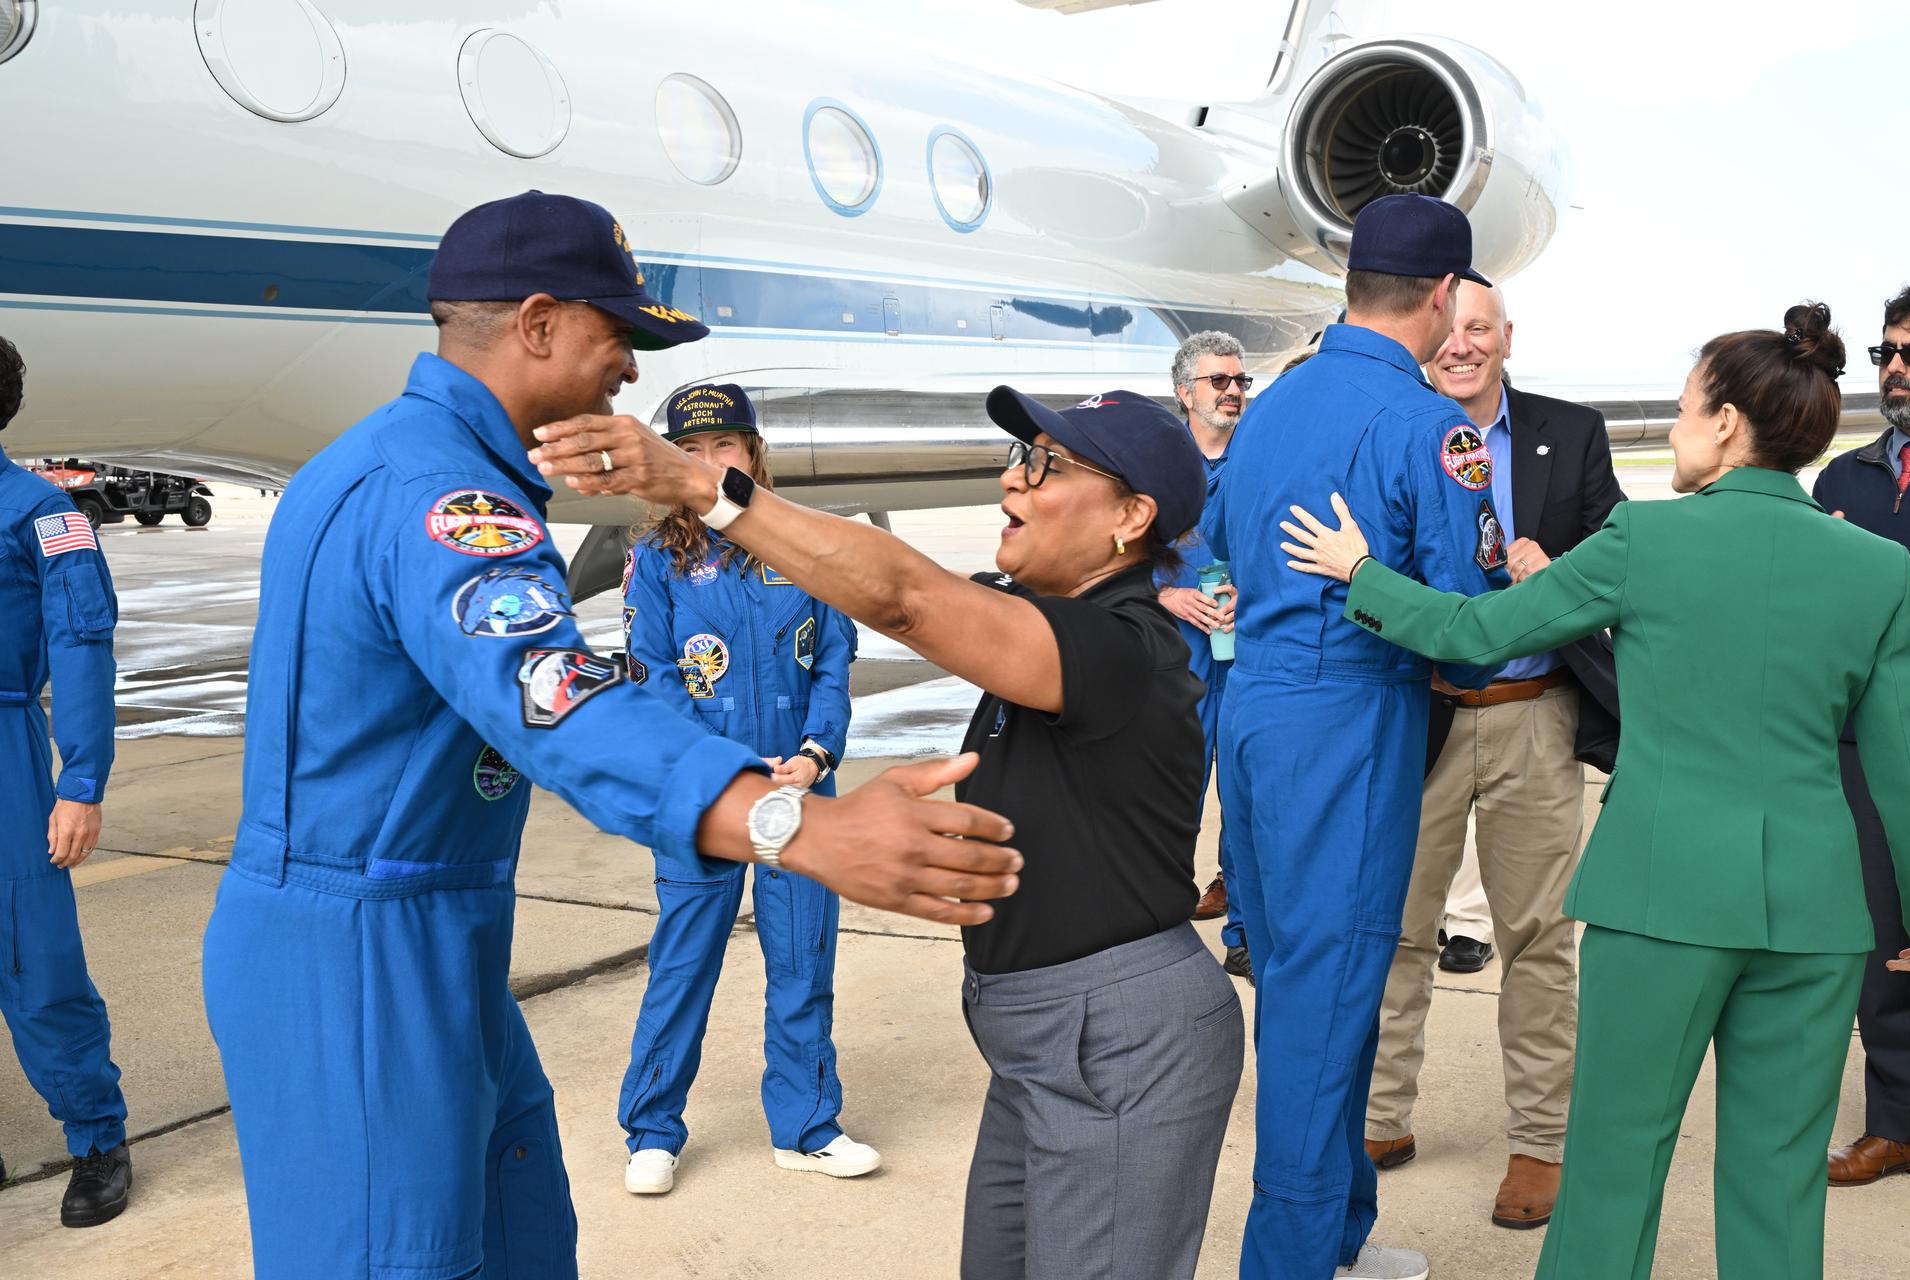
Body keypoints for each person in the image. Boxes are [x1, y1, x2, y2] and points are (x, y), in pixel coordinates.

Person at [198, 192, 1020, 1280]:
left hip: (429, 926)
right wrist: (791, 824)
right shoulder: (436, 492)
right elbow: (556, 694)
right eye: (616, 335)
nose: (629, 370)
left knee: (517, 1232)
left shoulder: (416, 459)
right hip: (362, 954)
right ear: (537, 323)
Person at [530, 386, 1244, 1280]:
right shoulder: (1066, 628)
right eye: (1019, 458)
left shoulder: (1120, 646)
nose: (1010, 480)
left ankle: (802, 1118)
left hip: (1114, 1040)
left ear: (1131, 517)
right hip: (1045, 1044)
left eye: (1046, 466)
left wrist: (701, 485)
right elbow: (882, 585)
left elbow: (905, 598)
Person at [1284, 303, 1910, 1280]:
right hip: (1815, 911)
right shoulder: (1878, 566)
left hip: (1659, 899)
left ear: (1725, 423)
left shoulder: (1643, 540)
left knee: (1617, 1164)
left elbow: (1472, 631)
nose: (1672, 427)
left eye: (1683, 406)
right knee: (1781, 1180)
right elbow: (1903, 769)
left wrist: (1359, 569)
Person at [1199, 193, 1507, 1280]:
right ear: (1440, 295)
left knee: (1301, 978)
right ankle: (1286, 1257)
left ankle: (1337, 1232)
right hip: (1352, 715)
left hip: (1257, 717)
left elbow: (1223, 545)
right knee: (1326, 1002)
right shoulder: (1433, 426)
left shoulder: (1271, 406)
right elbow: (1470, 633)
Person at [1364, 281, 1626, 1233]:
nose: (1464, 345)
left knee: (1538, 938)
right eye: (1453, 327)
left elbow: (1623, 557)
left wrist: (1560, 573)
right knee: (1394, 927)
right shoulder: (1398, 427)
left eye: (1483, 328)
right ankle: (1381, 1119)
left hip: (1535, 714)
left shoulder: (1573, 431)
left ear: (1508, 337)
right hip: (1419, 711)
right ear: (1429, 333)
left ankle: (1540, 1144)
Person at [616, 383, 876, 1194]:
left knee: (803, 961)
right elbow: (653, 676)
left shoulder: (803, 544)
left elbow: (834, 661)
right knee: (683, 963)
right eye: (690, 449)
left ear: (753, 454)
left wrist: (815, 753)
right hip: (701, 792)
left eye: (725, 445)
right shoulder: (657, 560)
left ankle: (805, 1126)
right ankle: (652, 1130)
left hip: (796, 788)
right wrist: (714, 770)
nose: (708, 462)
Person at [0, 333, 133, 1228]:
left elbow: (83, 647)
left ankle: (96, 1138)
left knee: (37, 964)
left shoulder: (42, 514)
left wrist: (80, 781)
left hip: (8, 753)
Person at [1817, 284, 1910, 1186]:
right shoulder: (1841, 481)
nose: (1895, 368)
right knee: (1886, 945)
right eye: (1889, 351)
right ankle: (1898, 1123)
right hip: (1869, 750)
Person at [1160, 330, 1250, 980]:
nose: (1232, 392)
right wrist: (1166, 597)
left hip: (1248, 654)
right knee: (1173, 794)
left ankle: (1243, 931)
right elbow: (1118, 549)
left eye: (1240, 381)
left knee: (1247, 797)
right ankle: (1161, 926)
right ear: (1185, 392)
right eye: (1219, 381)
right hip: (1180, 656)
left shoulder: (1262, 459)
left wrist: (1256, 592)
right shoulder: (1157, 467)